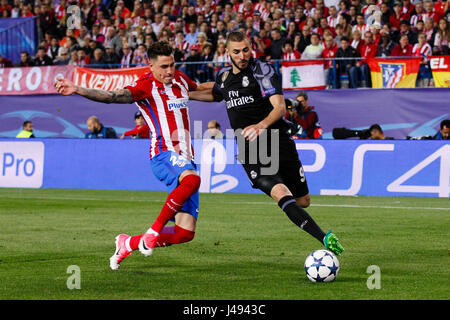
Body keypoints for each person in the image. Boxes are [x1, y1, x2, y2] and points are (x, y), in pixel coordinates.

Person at [54, 41, 212, 270]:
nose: (169, 70)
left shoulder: (179, 79)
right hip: (163, 154)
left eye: (173, 64)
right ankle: (153, 231)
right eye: (164, 66)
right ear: (151, 65)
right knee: (192, 180)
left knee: (184, 233)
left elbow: (200, 90)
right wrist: (78, 89)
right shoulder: (144, 86)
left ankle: (128, 243)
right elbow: (111, 96)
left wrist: (232, 90)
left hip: (186, 158)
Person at [189, 31, 344, 256]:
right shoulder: (224, 78)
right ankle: (324, 238)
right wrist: (183, 93)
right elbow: (212, 92)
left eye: (245, 50)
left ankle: (302, 214)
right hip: (252, 149)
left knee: (303, 201)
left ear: (250, 47)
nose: (242, 55)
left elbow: (279, 108)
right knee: (279, 191)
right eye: (236, 52)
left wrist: (260, 126)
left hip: (277, 139)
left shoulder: (263, 70)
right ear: (227, 53)